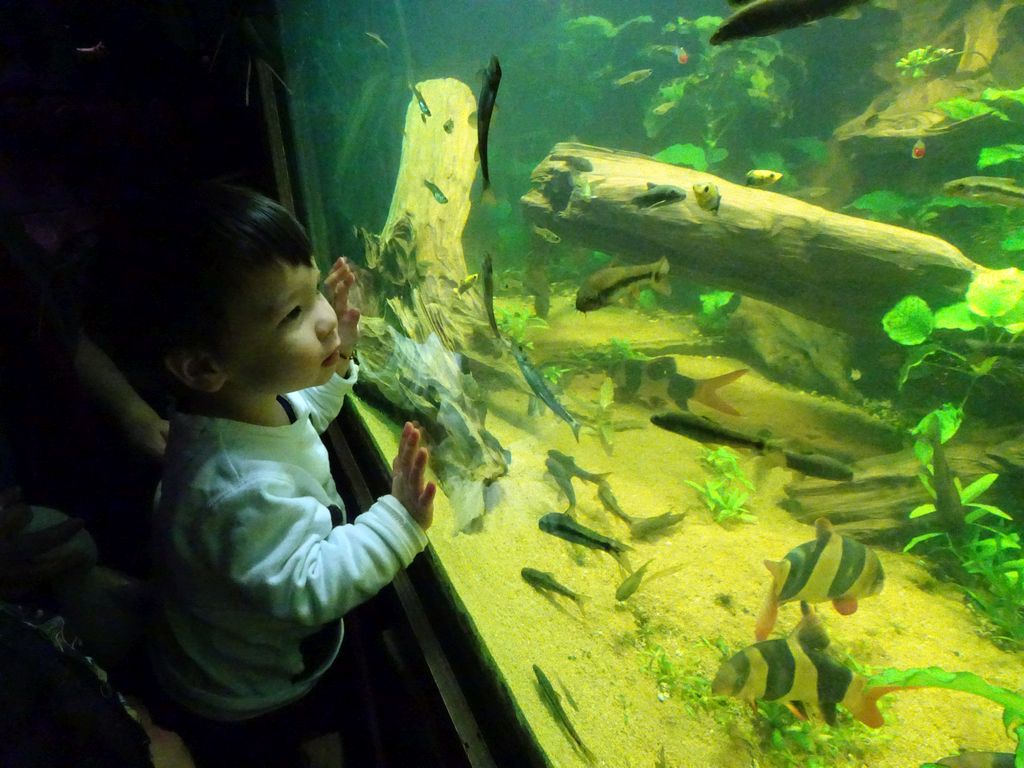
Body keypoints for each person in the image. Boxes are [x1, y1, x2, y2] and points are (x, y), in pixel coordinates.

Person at [91, 184, 435, 768]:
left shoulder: (237, 407)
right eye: (294, 313)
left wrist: (337, 363)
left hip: (238, 638)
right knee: (304, 741)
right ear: (203, 366)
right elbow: (306, 587)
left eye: (316, 286)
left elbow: (302, 416)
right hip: (246, 694)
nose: (329, 319)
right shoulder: (237, 491)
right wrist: (396, 524)